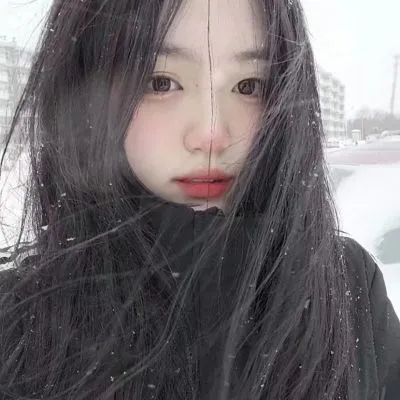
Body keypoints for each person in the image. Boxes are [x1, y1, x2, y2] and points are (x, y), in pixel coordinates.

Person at [0, 0, 399, 399]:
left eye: (249, 86)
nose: (211, 134)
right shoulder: (17, 321)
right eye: (159, 82)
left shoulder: (349, 286)